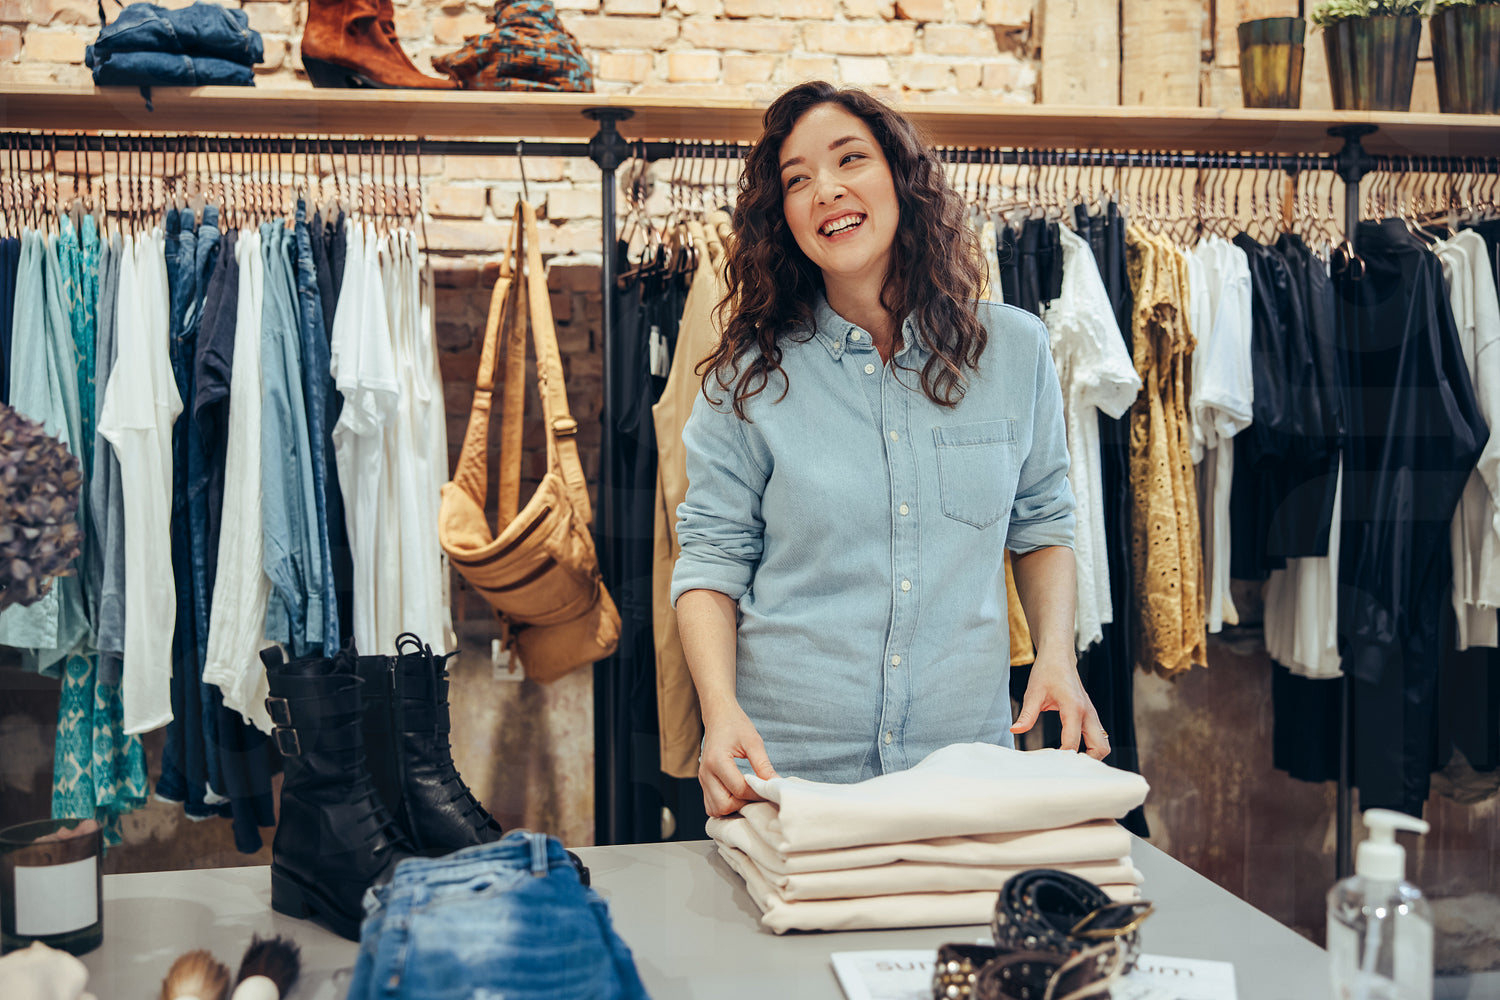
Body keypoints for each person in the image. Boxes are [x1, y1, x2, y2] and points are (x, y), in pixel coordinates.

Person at [671, 81, 1109, 819]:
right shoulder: (744, 379)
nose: (826, 190)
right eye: (797, 179)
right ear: (782, 217)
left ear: (902, 180)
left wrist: (1056, 657)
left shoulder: (1013, 352)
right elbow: (710, 557)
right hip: (788, 765)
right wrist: (719, 712)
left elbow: (1041, 522)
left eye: (851, 160)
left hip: (963, 759)